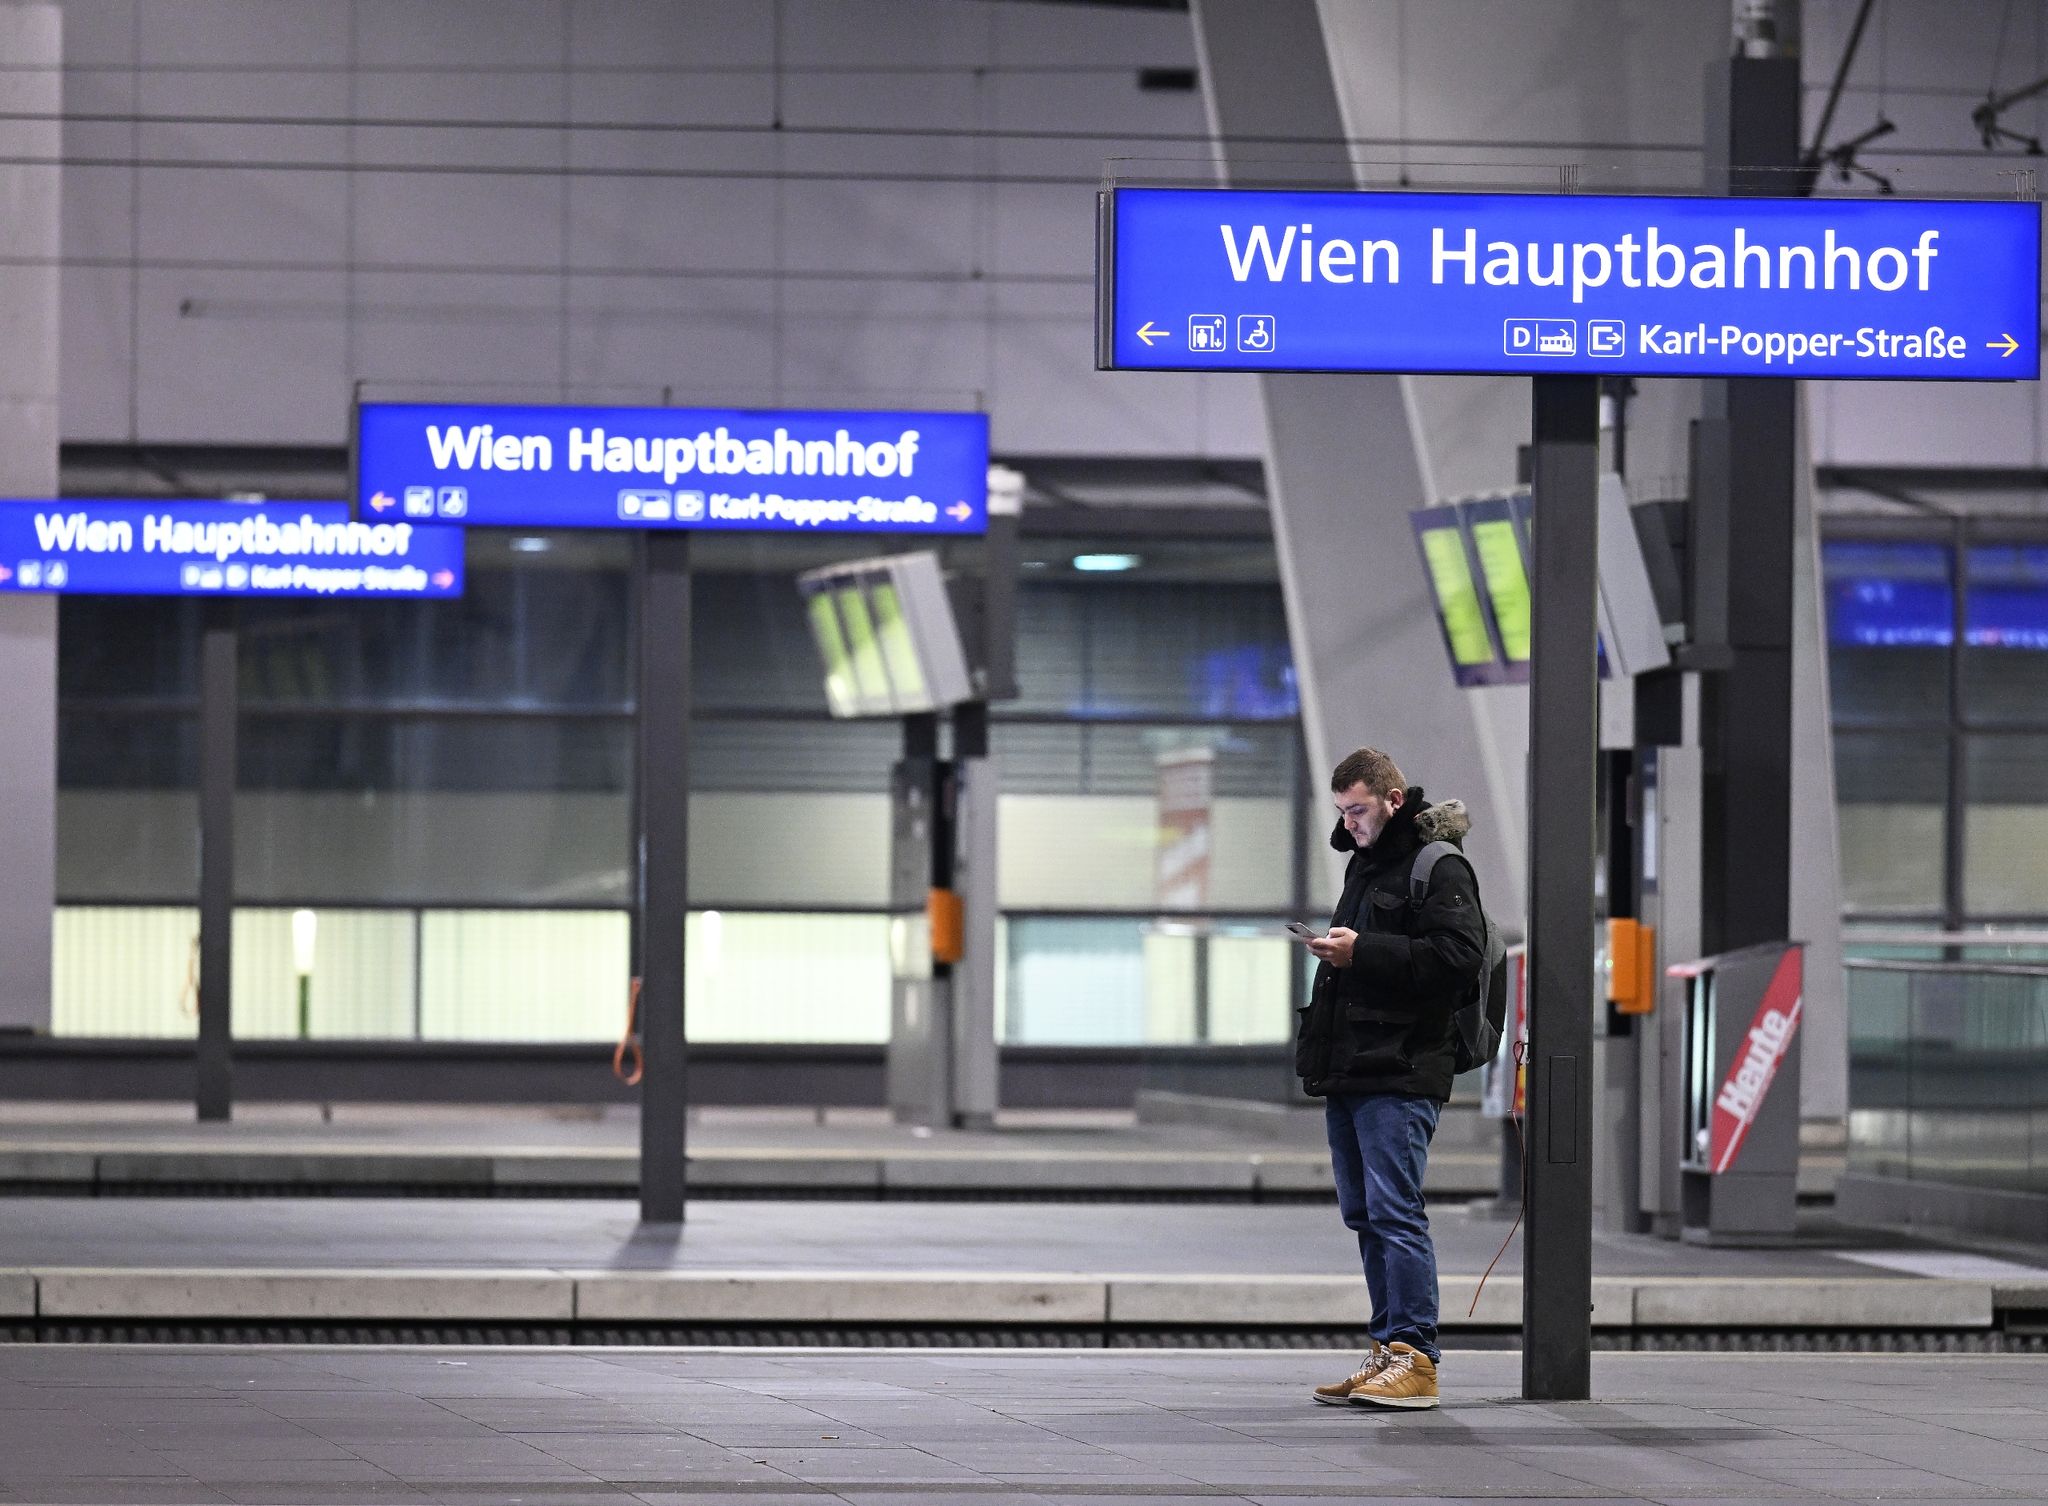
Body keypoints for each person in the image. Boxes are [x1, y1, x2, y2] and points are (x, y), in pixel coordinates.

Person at [1294, 747, 1484, 1410]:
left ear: (1393, 800)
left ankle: (1416, 1358)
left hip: (1402, 1068)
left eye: (1359, 811)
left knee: (1397, 1212)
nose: (1349, 825)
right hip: (1353, 1066)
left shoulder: (1439, 865)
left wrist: (1360, 950)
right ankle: (1386, 1352)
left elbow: (1460, 957)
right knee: (1365, 1214)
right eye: (1342, 813)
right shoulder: (1365, 864)